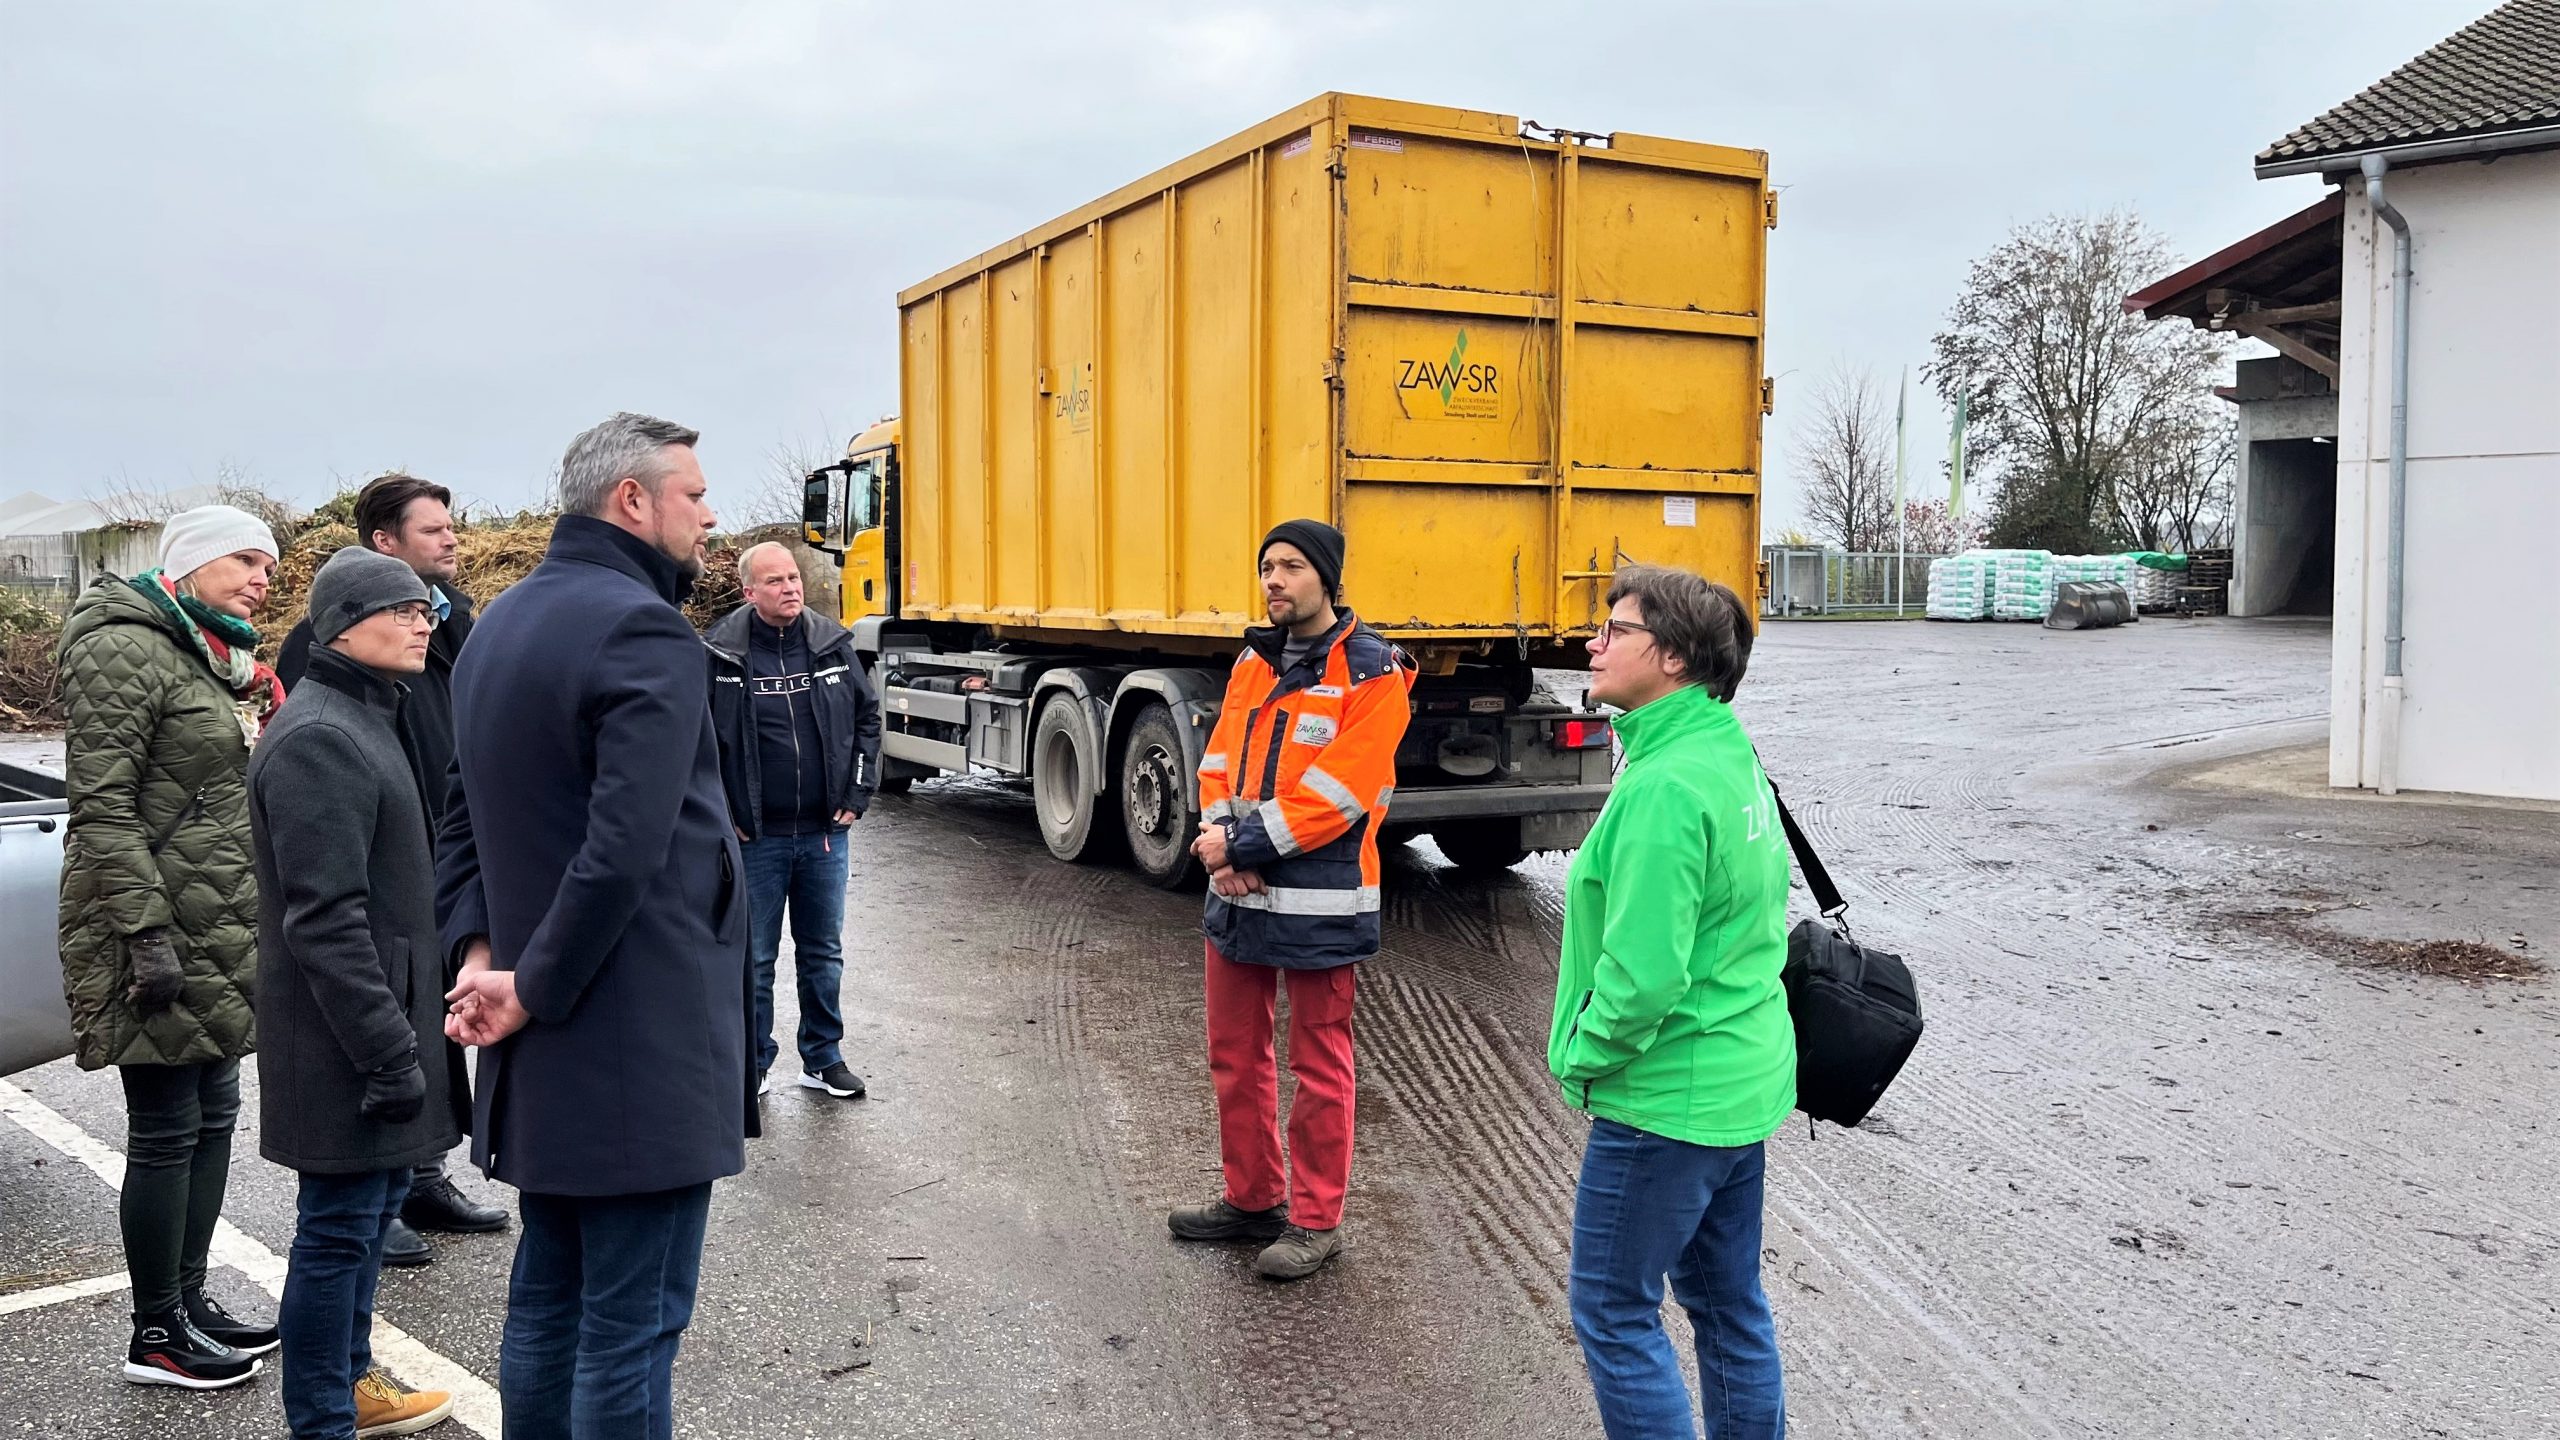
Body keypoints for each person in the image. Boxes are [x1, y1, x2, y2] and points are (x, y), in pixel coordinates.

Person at [437, 412, 755, 1440]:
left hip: (546, 1034)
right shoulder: (642, 627)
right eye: (695, 494)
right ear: (633, 499)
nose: (710, 516)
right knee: (630, 1327)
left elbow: (465, 818)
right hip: (636, 1039)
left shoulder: (501, 620)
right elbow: (626, 850)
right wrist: (525, 986)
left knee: (548, 1304)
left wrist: (486, 958)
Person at [1548, 566, 1794, 1439]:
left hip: (1668, 1099)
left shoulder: (1662, 786)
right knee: (1728, 1304)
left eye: (1615, 629)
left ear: (1677, 658)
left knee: (1614, 1312)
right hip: (1738, 1082)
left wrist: (1582, 1055)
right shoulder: (1723, 748)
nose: (1594, 643)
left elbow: (1644, 978)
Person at [56, 504, 285, 1388]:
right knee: (163, 1128)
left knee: (215, 1112)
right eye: (244, 560)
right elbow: (103, 806)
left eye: (269, 564)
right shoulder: (122, 644)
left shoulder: (216, 654)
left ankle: (189, 1300)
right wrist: (145, 932)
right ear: (188, 565)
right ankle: (155, 1332)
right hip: (152, 923)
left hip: (220, 920)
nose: (262, 578)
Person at [250, 548, 467, 1438]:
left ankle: (353, 1386)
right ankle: (322, 1420)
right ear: (344, 623)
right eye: (403, 609)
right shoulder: (319, 738)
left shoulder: (369, 713)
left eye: (427, 609)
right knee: (337, 1234)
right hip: (342, 1036)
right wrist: (387, 1051)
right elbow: (325, 921)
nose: (425, 621)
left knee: (368, 1218)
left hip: (383, 1018)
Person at [1172, 519, 1413, 1282]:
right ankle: (1252, 1201)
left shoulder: (1375, 674)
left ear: (1329, 580)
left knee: (1320, 1065)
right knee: (1234, 1056)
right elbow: (1218, 762)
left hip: (1320, 901)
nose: (1274, 581)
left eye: (1292, 567)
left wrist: (1239, 849)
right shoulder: (1253, 660)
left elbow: (1340, 796)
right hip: (1237, 889)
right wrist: (1218, 840)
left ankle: (1315, 1221)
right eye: (1266, 567)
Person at [278, 473, 504, 1268]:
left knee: (432, 1008)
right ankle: (390, 1182)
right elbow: (322, 905)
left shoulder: (454, 622)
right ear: (384, 542)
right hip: (379, 847)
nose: (449, 540)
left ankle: (423, 1173)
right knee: (389, 1005)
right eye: (432, 529)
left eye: (451, 527)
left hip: (438, 843)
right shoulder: (328, 657)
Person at [706, 541, 882, 1101]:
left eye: (793, 578)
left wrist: (858, 789)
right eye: (775, 581)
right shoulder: (719, 654)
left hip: (824, 835)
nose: (790, 588)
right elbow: (698, 741)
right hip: (755, 839)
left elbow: (866, 719)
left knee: (822, 951)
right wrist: (723, 811)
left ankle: (823, 1058)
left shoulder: (831, 645)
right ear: (748, 591)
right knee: (755, 959)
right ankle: (753, 1064)